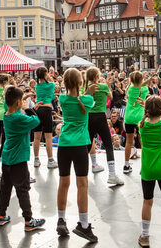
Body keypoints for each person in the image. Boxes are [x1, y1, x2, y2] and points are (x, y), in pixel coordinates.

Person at [56, 68, 99, 243]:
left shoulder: (62, 99)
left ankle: (61, 219)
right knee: (82, 185)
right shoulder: (87, 99)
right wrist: (87, 92)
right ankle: (83, 225)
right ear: (81, 83)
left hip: (64, 145)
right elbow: (84, 102)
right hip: (80, 145)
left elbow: (73, 97)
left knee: (63, 183)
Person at [0, 86, 46, 232]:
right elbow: (36, 121)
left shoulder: (7, 113)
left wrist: (21, 100)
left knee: (5, 189)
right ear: (18, 103)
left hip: (7, 159)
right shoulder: (19, 117)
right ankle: (29, 220)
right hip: (18, 160)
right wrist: (29, 108)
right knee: (22, 189)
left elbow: (9, 102)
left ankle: (1, 216)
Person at [137, 96, 161, 247]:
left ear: (147, 110)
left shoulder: (141, 125)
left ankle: (145, 236)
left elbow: (148, 117)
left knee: (147, 202)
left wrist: (146, 109)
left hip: (147, 169)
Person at [85, 67, 123, 185]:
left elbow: (84, 97)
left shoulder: (86, 87)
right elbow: (111, 97)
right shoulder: (103, 87)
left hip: (89, 117)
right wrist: (107, 84)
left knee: (87, 144)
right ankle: (112, 175)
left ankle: (83, 172)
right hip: (101, 117)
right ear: (97, 76)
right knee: (108, 145)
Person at [123, 71, 149, 175]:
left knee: (128, 142)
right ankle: (146, 165)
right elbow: (143, 85)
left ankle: (126, 164)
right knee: (143, 141)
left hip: (129, 117)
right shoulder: (145, 89)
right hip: (140, 117)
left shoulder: (129, 89)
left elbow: (132, 85)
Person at [33, 67, 58, 169]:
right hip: (46, 109)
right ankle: (50, 160)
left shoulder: (37, 86)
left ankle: (36, 159)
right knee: (48, 137)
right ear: (45, 74)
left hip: (38, 110)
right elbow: (52, 97)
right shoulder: (51, 84)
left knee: (36, 137)